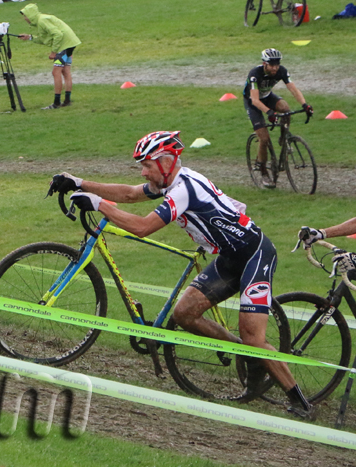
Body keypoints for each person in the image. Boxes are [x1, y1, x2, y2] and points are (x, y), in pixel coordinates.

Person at [50, 131, 312, 419]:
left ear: (166, 162)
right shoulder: (169, 181)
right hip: (229, 258)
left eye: (147, 165)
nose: (143, 172)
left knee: (253, 336)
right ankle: (250, 357)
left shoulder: (183, 189)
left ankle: (299, 401)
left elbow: (142, 227)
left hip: (254, 255)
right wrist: (78, 182)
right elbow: (129, 194)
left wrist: (99, 204)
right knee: (185, 314)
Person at [244, 48, 311, 187]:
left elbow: (293, 89)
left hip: (268, 97)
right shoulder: (255, 75)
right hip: (253, 102)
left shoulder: (281, 71)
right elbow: (255, 100)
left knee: (285, 109)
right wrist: (269, 112)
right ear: (264, 64)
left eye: (277, 65)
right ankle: (263, 171)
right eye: (272, 65)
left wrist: (305, 105)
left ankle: (283, 139)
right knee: (264, 138)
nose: (275, 68)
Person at [16, 3, 81, 109]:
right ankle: (67, 100)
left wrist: (54, 52)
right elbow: (45, 38)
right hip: (70, 44)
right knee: (65, 71)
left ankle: (56, 103)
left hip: (64, 46)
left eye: (25, 15)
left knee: (56, 72)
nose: (24, 18)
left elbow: (58, 34)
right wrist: (29, 37)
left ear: (31, 15)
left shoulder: (42, 21)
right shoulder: (42, 19)